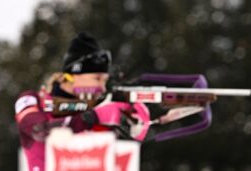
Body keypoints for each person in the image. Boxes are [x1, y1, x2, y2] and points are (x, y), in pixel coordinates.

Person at [15, 32, 150, 171]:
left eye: (105, 81)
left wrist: (134, 124)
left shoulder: (95, 109)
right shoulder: (33, 100)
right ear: (73, 75)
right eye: (97, 78)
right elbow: (38, 130)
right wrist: (93, 117)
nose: (102, 88)